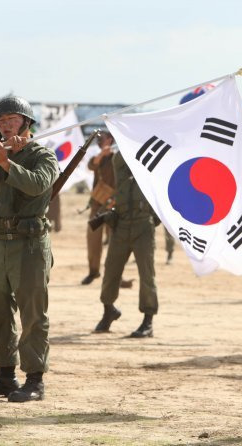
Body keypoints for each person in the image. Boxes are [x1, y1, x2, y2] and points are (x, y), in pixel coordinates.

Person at [0, 96, 59, 402]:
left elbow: (37, 185)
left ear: (27, 123)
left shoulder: (42, 156)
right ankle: (5, 375)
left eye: (12, 120)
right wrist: (1, 153)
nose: (6, 126)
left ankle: (35, 379)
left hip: (29, 245)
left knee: (33, 313)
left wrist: (7, 163)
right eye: (1, 121)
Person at [92, 149, 158, 338]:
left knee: (147, 274)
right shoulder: (121, 167)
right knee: (111, 270)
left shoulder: (150, 171)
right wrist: (127, 137)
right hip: (121, 225)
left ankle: (148, 321)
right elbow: (118, 157)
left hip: (143, 225)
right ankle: (108, 310)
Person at [82, 131, 117, 285]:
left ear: (110, 139)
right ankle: (93, 272)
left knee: (117, 243)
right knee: (93, 240)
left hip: (115, 206)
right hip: (98, 207)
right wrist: (102, 154)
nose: (99, 141)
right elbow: (91, 165)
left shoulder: (118, 157)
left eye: (101, 139)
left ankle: (115, 275)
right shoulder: (98, 158)